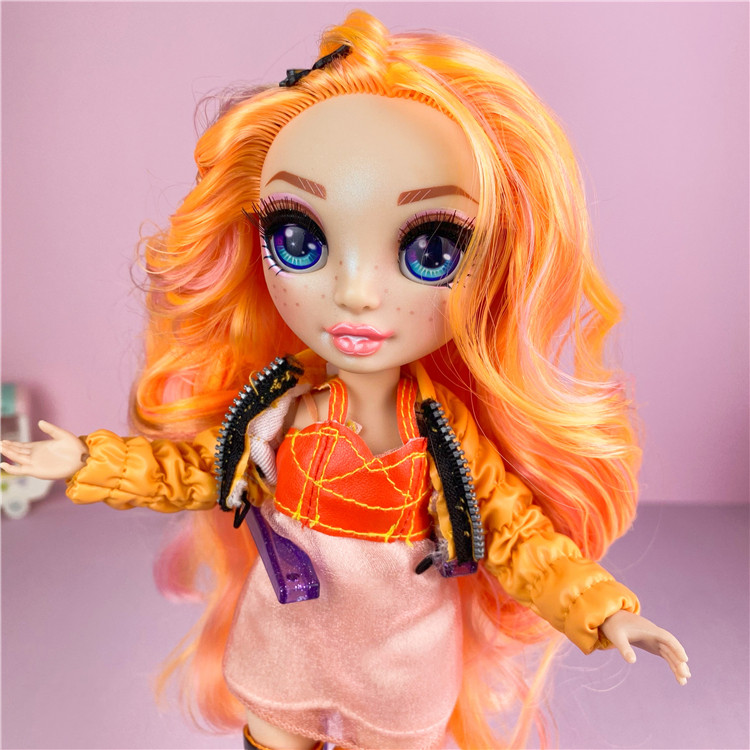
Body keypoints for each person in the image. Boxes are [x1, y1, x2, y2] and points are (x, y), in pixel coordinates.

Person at [0, 11, 689, 750]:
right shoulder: (275, 413)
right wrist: (84, 460)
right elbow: (196, 470)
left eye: (430, 250)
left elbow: (518, 539)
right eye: (300, 239)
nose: (356, 293)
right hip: (282, 652)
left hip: (401, 676)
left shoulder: (446, 440)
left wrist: (603, 611)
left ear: (491, 267)